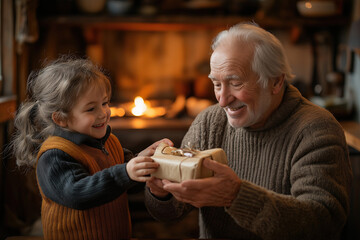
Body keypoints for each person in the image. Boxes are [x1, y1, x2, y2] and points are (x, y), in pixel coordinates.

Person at [145, 22, 353, 240]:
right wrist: (160, 191)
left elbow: (323, 223)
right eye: (216, 84)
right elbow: (170, 212)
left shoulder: (316, 130)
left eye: (235, 83)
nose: (223, 100)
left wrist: (236, 196)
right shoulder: (210, 122)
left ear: (276, 82)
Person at [11, 56, 172, 239]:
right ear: (60, 119)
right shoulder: (55, 156)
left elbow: (122, 178)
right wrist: (126, 172)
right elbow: (78, 194)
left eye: (104, 103)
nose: (103, 113)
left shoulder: (108, 141)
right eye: (90, 109)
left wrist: (143, 163)